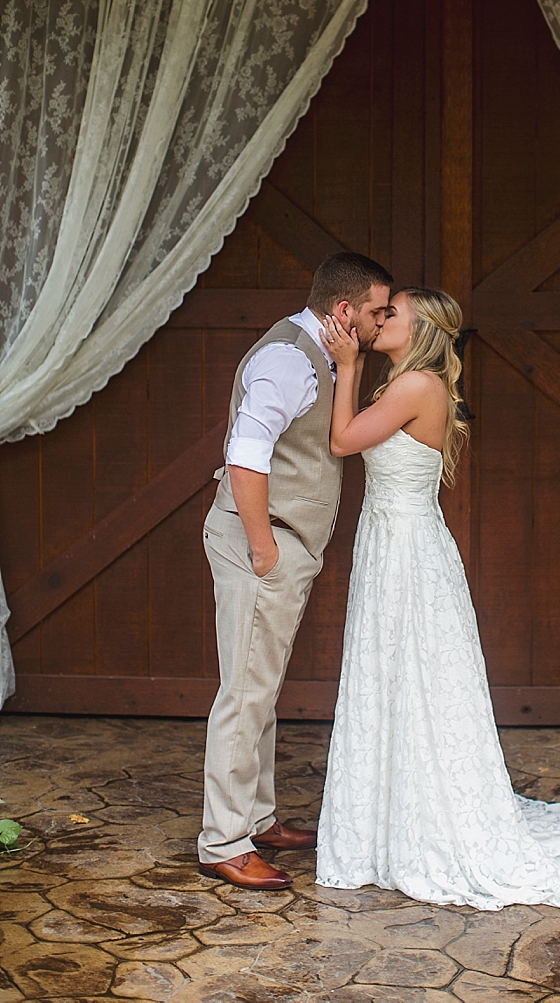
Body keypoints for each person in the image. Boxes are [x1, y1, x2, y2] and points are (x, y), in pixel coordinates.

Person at [315, 287, 560, 917]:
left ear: (421, 331)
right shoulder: (402, 382)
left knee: (416, 676)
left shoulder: (417, 385)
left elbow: (343, 442)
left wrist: (345, 365)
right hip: (391, 543)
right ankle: (387, 821)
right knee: (393, 677)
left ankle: (418, 824)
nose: (383, 317)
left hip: (407, 552)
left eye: (394, 311)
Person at [198, 251, 393, 890]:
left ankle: (257, 817)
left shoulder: (323, 355)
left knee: (262, 684)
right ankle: (224, 841)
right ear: (343, 311)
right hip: (263, 545)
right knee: (245, 692)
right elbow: (247, 455)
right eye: (375, 311)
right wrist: (263, 548)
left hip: (278, 544)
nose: (381, 320)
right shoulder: (287, 359)